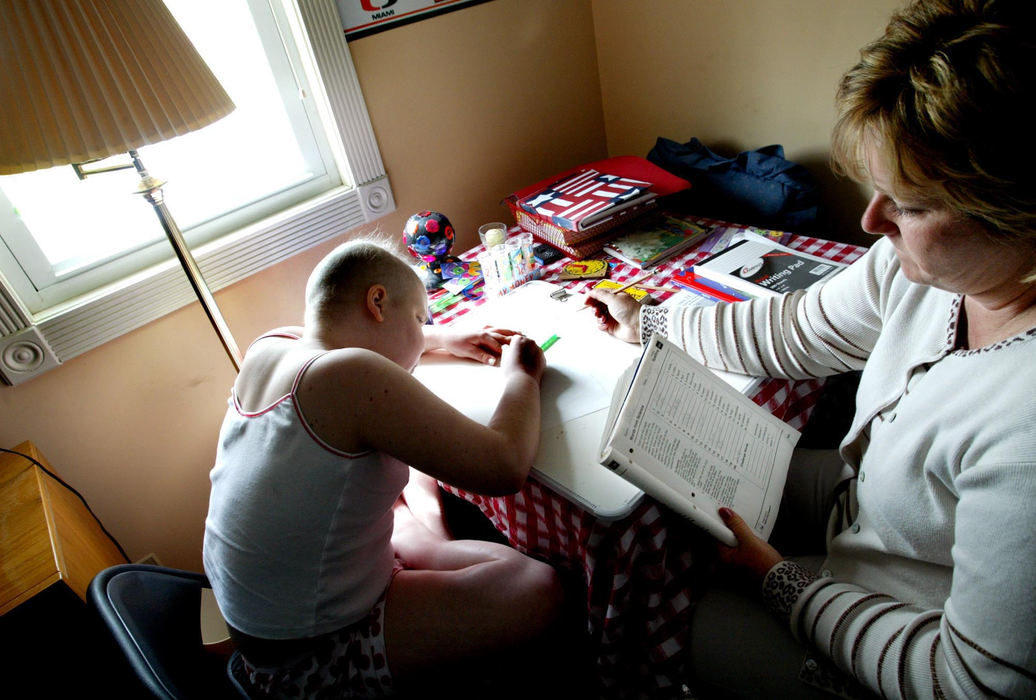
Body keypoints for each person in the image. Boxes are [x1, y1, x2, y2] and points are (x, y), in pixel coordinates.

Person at [585, 0, 1036, 697]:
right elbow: (794, 330)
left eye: (910, 206)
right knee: (663, 503)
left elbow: (967, 683)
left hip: (903, 638)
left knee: (673, 614)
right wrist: (652, 323)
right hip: (871, 507)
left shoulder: (1024, 427)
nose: (870, 220)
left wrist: (783, 584)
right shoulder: (928, 272)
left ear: (1016, 212)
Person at [202, 237, 567, 697]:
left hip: (263, 619)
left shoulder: (268, 346)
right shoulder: (347, 375)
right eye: (420, 318)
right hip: (310, 656)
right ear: (377, 302)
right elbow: (503, 467)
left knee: (449, 531)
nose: (425, 331)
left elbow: (333, 343)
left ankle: (412, 544)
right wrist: (521, 377)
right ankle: (415, 552)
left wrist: (435, 337)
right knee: (539, 588)